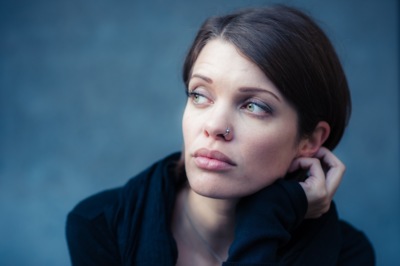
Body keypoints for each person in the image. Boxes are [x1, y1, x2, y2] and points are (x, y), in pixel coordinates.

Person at [66, 5, 375, 265]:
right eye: (200, 95)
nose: (214, 126)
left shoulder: (345, 255)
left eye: (254, 105)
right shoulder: (99, 224)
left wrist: (270, 215)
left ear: (310, 141)